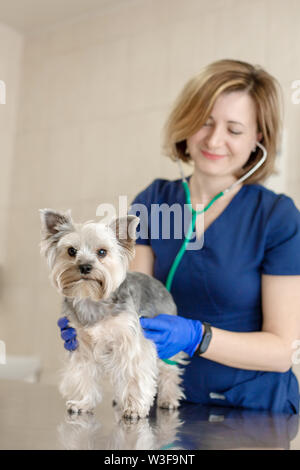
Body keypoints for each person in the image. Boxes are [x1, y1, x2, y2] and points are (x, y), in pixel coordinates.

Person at [59, 59, 300, 414]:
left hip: (250, 409)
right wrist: (88, 312)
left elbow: (282, 351)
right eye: (205, 121)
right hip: (160, 404)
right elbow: (130, 296)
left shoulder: (276, 217)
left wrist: (196, 336)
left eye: (234, 130)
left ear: (258, 138)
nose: (214, 139)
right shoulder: (155, 201)